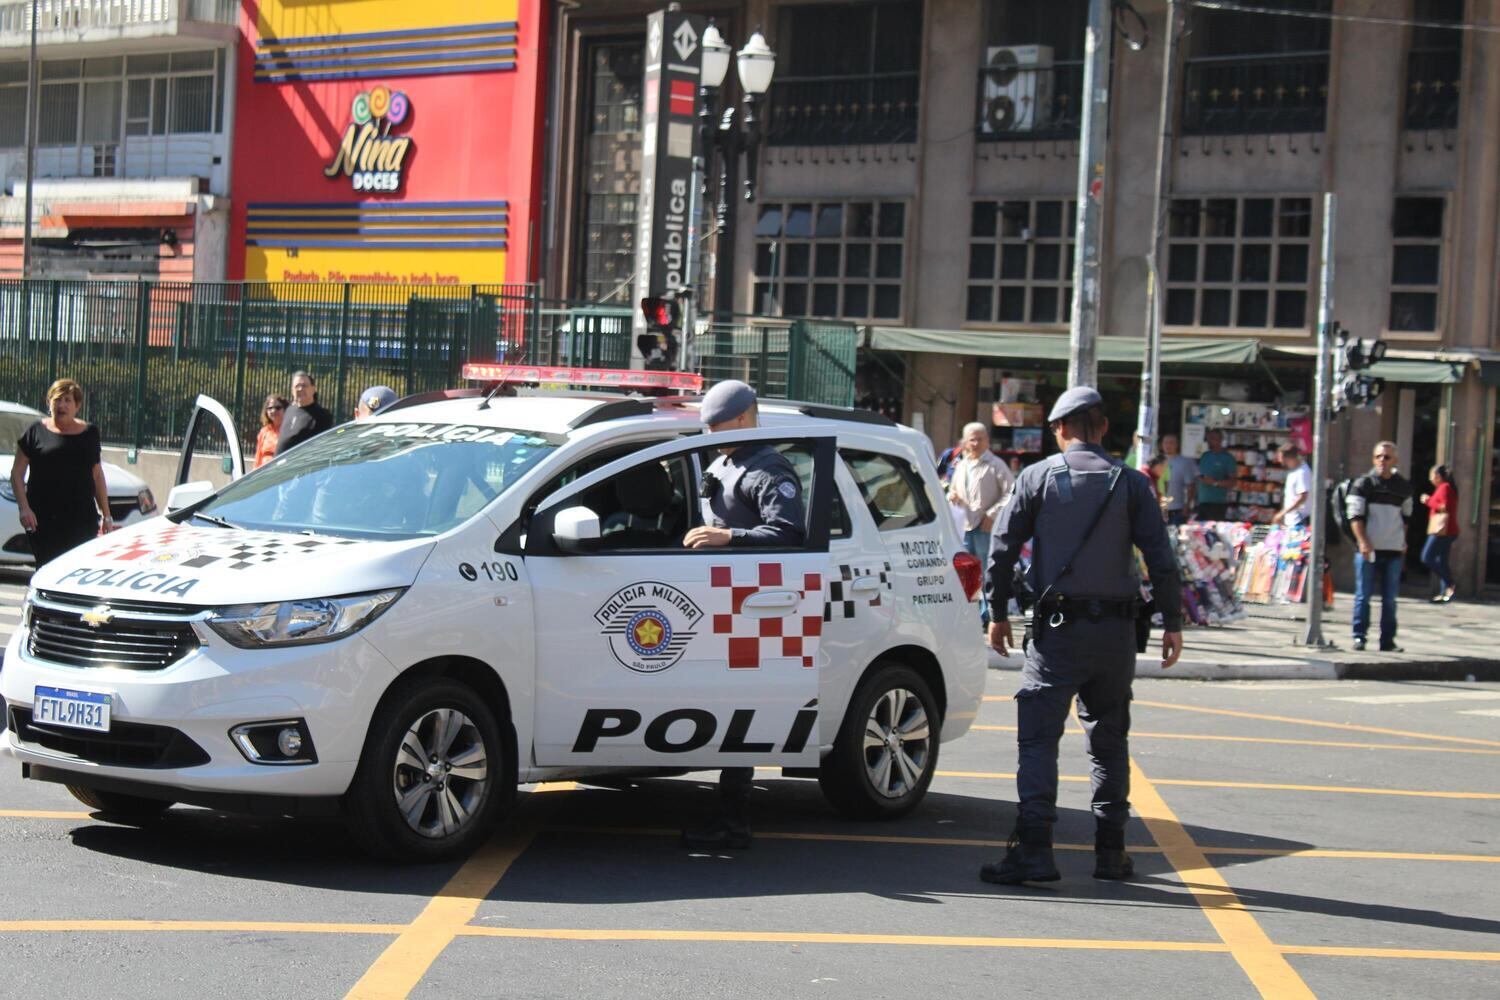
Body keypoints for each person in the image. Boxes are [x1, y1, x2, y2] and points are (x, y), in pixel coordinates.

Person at [980, 386, 1184, 886]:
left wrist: (997, 611)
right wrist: (1173, 622)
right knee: (1109, 740)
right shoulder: (1132, 483)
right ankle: (1111, 853)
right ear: (1104, 428)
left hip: (1057, 634)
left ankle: (1034, 851)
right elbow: (1160, 557)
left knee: (1038, 740)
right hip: (1116, 635)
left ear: (1059, 429)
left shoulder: (1037, 477)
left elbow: (1002, 548)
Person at [680, 379, 806, 850]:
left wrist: (730, 538)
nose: (711, 434)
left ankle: (733, 819)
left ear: (743, 419)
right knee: (723, 706)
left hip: (753, 605)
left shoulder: (770, 470)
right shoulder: (724, 459)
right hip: (719, 598)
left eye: (718, 425)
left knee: (741, 712)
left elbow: (791, 535)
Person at [10, 379, 113, 567]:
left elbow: (97, 474)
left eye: (67, 400)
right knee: (48, 567)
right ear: (49, 402)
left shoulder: (89, 433)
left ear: (77, 406)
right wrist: (24, 508)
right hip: (44, 520)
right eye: (57, 400)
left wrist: (106, 515)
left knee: (76, 570)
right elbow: (17, 473)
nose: (62, 405)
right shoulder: (35, 432)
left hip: (81, 518)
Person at [1346, 441, 1413, 652]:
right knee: (1363, 596)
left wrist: (1403, 541)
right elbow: (1355, 516)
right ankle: (1359, 637)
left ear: (1395, 460)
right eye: (1378, 457)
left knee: (1390, 599)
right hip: (1369, 550)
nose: (1382, 461)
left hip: (1392, 550)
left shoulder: (1402, 487)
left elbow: (1406, 517)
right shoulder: (1363, 484)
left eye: (1387, 457)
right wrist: (1363, 541)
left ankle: (1387, 641)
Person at [946, 422, 1015, 627]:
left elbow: (1011, 492)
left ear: (987, 441)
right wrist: (952, 495)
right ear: (965, 442)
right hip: (965, 527)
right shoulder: (962, 465)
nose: (975, 443)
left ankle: (987, 613)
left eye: (979, 438)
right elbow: (952, 490)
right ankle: (971, 612)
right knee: (967, 572)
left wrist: (992, 515)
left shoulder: (996, 465)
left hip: (985, 527)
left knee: (987, 571)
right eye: (971, 439)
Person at [1419, 464, 1459, 603]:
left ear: (1438, 476)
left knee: (1427, 557)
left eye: (1432, 475)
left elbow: (1444, 507)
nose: (1431, 478)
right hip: (1448, 530)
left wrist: (1428, 501)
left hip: (1442, 530)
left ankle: (1449, 583)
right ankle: (1444, 594)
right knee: (1442, 561)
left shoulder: (1445, 488)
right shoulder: (1445, 488)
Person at [275, 370, 334, 455]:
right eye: (297, 386)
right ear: (292, 390)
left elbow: (322, 449)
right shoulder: (289, 410)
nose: (300, 389)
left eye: (304, 385)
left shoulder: (322, 415)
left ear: (313, 389)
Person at [1194, 429, 1237, 522]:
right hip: (1201, 501)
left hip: (1217, 503)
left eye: (1213, 438)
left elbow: (1233, 482)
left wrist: (1215, 483)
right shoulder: (1204, 456)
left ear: (1220, 440)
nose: (1210, 441)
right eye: (1208, 438)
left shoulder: (1227, 458)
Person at [1160, 434, 1196, 526]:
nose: (1168, 445)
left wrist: (1188, 505)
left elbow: (1190, 486)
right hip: (1158, 509)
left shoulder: (1185, 462)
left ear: (1177, 445)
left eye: (1172, 443)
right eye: (1166, 443)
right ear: (1161, 445)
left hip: (1177, 509)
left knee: (1175, 538)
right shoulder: (1155, 461)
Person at [1272, 443, 1311, 528]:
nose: (1279, 461)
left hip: (1300, 520)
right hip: (1291, 520)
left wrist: (1282, 513)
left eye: (1280, 457)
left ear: (1285, 458)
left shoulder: (1302, 472)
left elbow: (1303, 497)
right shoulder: (1293, 471)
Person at [254, 394, 288, 469]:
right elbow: (258, 457)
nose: (273, 411)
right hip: (265, 473)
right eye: (270, 408)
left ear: (285, 409)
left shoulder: (290, 430)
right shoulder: (264, 431)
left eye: (278, 408)